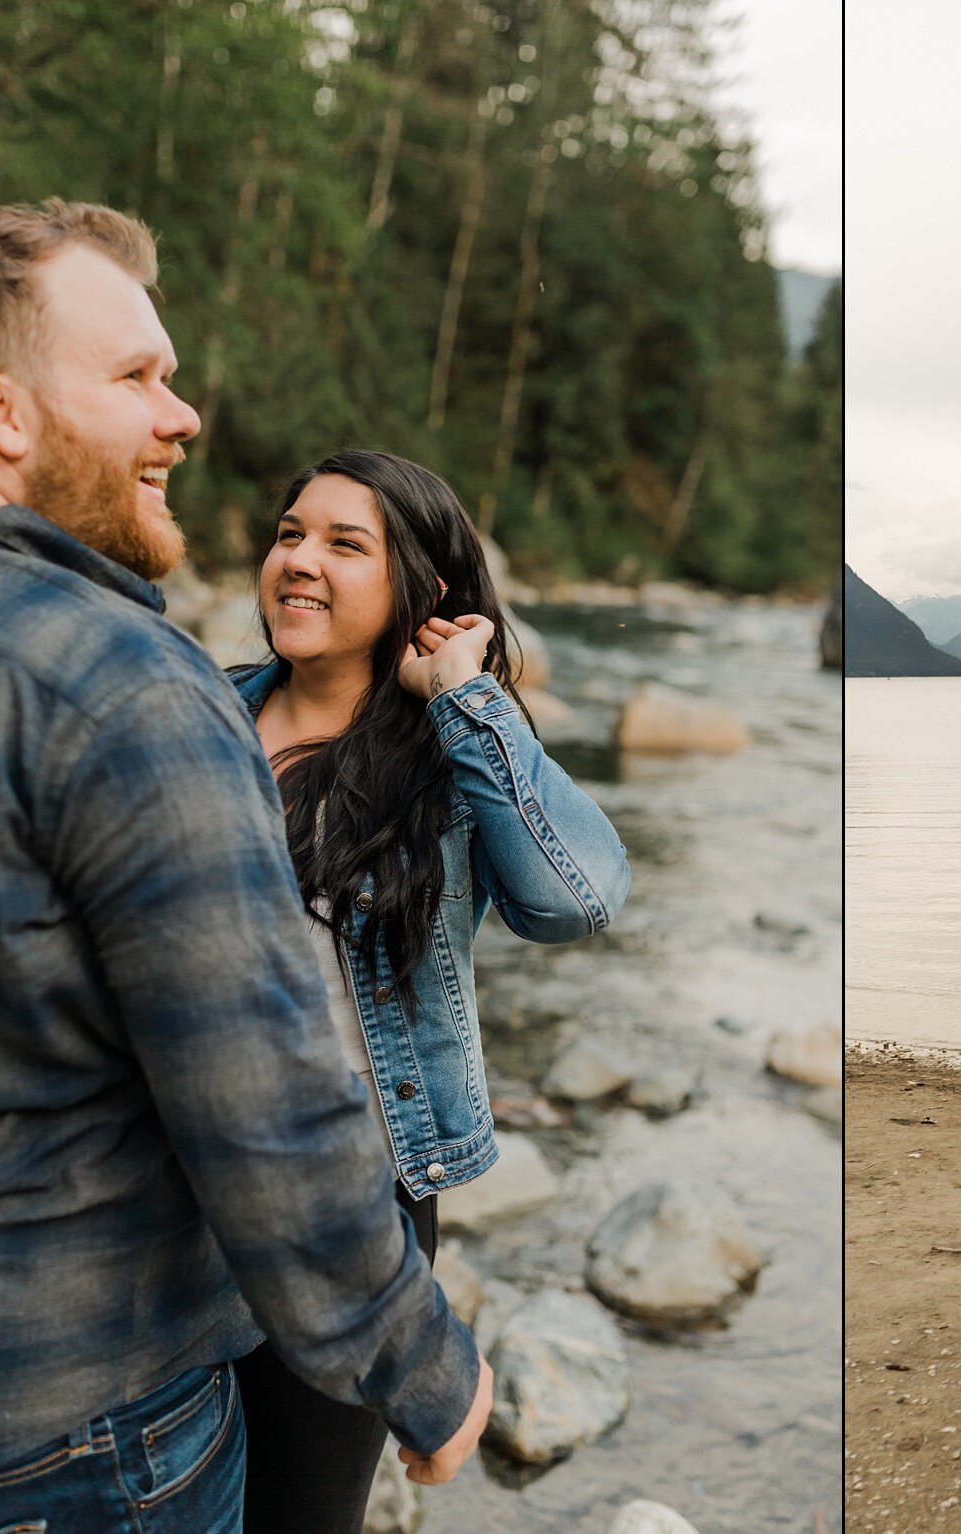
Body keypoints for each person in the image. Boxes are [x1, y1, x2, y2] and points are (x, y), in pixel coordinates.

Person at [0, 201, 489, 1534]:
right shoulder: (125, 684)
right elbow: (264, 1096)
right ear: (3, 409)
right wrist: (420, 1362)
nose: (181, 416)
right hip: (81, 1437)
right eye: (138, 377)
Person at [228, 448, 630, 1533]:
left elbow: (580, 899)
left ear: (423, 592)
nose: (299, 561)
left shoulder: (444, 765)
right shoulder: (200, 717)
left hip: (356, 1208)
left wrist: (465, 699)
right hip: (174, 1190)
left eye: (344, 544)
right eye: (289, 532)